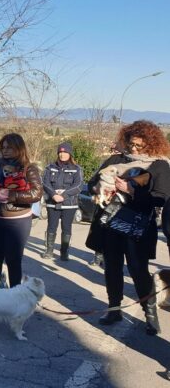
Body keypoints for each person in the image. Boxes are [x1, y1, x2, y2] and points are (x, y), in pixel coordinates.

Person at [85, 120, 170, 335]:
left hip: (139, 227)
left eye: (139, 146)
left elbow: (161, 198)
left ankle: (150, 315)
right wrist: (100, 186)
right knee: (111, 268)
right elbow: (91, 182)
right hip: (112, 223)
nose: (133, 148)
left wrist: (132, 191)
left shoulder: (159, 165)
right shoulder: (117, 159)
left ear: (151, 144)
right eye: (131, 143)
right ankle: (114, 310)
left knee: (139, 271)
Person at [0, 133, 42, 289]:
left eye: (9, 147)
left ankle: (15, 295)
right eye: (3, 147)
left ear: (19, 148)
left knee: (13, 260)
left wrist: (12, 195)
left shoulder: (29, 168)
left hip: (18, 220)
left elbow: (36, 193)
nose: (5, 150)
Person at [41, 142, 83, 261]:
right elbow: (45, 183)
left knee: (66, 228)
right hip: (52, 202)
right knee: (51, 227)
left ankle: (64, 252)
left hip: (69, 204)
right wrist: (53, 194)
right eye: (60, 152)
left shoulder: (77, 169)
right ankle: (49, 251)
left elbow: (78, 185)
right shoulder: (50, 167)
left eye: (65, 152)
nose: (62, 154)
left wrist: (64, 195)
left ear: (70, 154)